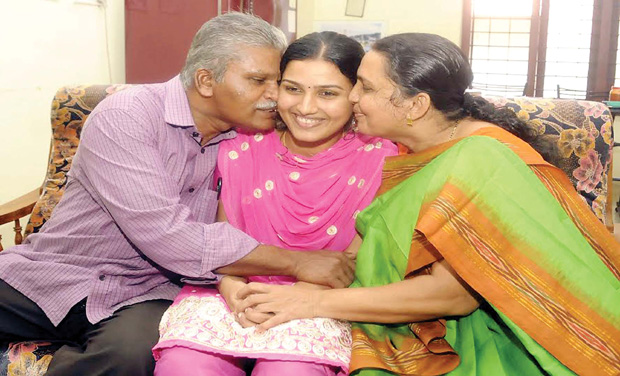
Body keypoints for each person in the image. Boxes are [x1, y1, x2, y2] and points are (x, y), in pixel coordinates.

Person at [235, 33, 620, 376]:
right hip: (415, 320)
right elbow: (368, 247)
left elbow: (454, 295)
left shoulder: (483, 159)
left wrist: (314, 302)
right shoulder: (411, 147)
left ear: (415, 106)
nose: (352, 96)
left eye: (366, 88)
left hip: (521, 335)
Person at [0, 13, 356, 376]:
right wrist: (297, 261)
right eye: (258, 81)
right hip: (55, 274)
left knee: (130, 356)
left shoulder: (248, 141)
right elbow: (168, 236)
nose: (274, 96)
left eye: (278, 82)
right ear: (205, 80)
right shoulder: (128, 115)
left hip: (146, 291)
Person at [152, 31, 398, 376]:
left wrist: (292, 299)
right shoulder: (242, 145)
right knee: (185, 366)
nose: (305, 107)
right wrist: (231, 286)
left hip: (318, 300)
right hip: (235, 292)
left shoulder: (380, 158)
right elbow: (225, 235)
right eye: (293, 89)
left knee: (289, 370)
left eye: (328, 93)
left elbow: (353, 261)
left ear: (355, 95)